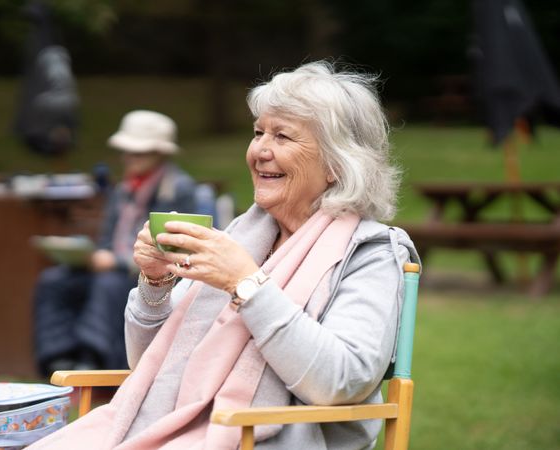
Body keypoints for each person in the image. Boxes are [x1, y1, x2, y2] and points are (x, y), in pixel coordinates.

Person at [27, 61, 420, 449]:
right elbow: (153, 365)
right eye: (258, 133)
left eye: (282, 137)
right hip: (184, 430)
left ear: (336, 163)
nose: (260, 151)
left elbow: (341, 380)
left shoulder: (369, 252)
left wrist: (247, 285)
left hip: (266, 437)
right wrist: (155, 282)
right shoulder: (243, 236)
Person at [32, 110, 198, 375]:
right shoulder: (123, 189)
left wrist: (118, 262)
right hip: (110, 267)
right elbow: (107, 239)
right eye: (127, 151)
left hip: (147, 274)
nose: (129, 158)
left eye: (138, 152)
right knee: (54, 280)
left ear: (160, 153)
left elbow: (175, 247)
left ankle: (94, 358)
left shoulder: (178, 189)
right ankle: (59, 356)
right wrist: (87, 255)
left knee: (107, 284)